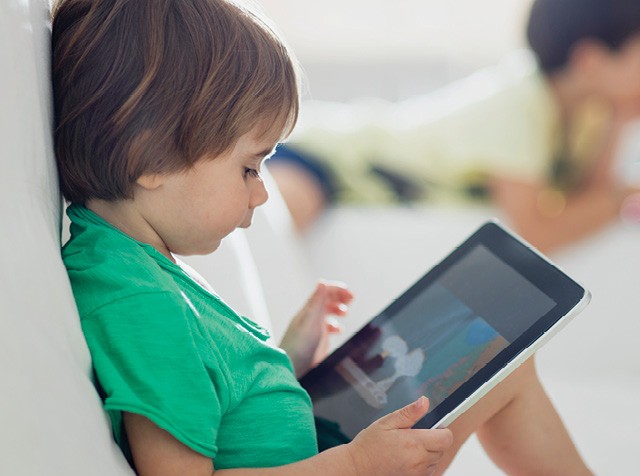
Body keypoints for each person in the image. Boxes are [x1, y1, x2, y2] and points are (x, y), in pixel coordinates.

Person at [52, 0, 592, 475]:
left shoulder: (127, 258)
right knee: (499, 370)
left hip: (320, 448)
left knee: (500, 369)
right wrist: (355, 465)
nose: (262, 194)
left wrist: (287, 358)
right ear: (151, 159)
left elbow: (217, 391)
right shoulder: (144, 305)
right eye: (248, 168)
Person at [268, 0, 640, 253]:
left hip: (368, 186)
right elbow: (539, 231)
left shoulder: (591, 115)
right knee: (273, 231)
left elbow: (587, 199)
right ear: (591, 61)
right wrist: (622, 198)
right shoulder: (520, 103)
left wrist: (620, 122)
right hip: (329, 156)